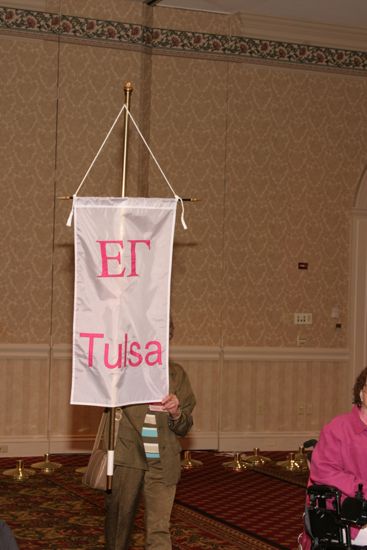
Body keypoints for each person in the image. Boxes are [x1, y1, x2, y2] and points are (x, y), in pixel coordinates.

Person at [105, 320, 196, 550]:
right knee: (119, 528)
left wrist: (176, 413)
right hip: (129, 458)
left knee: (159, 529)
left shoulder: (176, 374)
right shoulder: (122, 371)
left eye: (163, 334)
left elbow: (184, 426)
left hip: (162, 461)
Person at [299, 366, 367, 549]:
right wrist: (360, 489)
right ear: (361, 394)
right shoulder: (339, 428)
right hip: (349, 514)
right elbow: (322, 471)